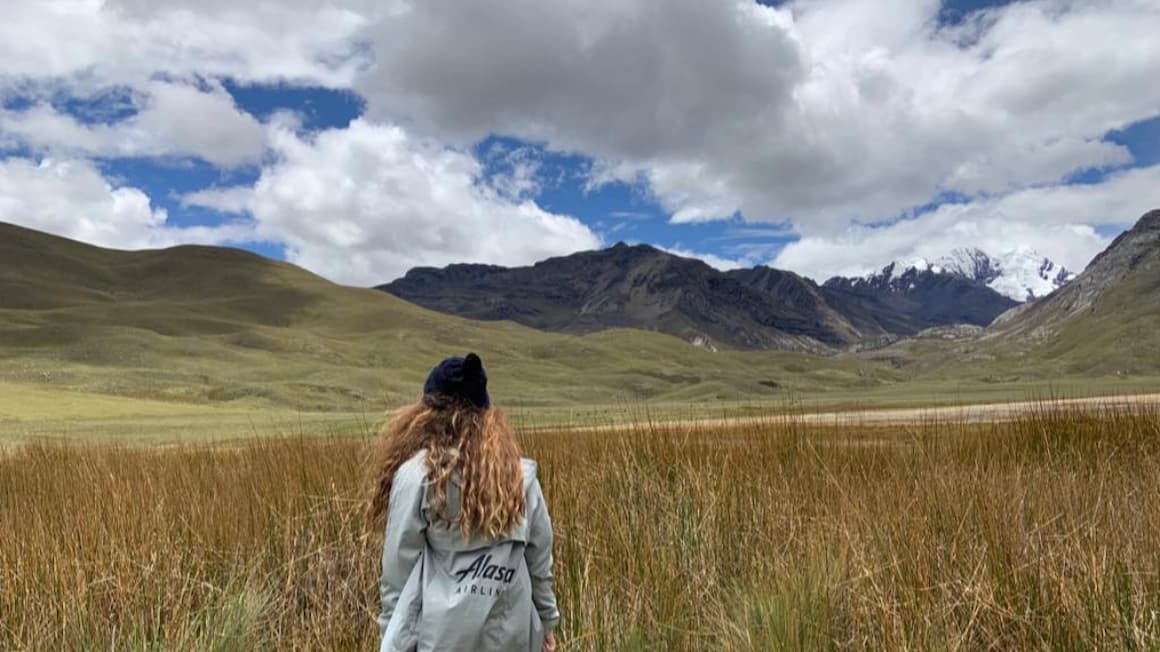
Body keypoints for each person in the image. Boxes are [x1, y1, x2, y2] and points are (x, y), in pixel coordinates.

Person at [370, 352, 560, 652]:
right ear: (486, 415)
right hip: (513, 633)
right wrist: (547, 622)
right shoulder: (519, 475)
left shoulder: (418, 477)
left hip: (441, 636)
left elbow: (398, 569)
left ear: (425, 415)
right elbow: (540, 562)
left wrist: (391, 635)